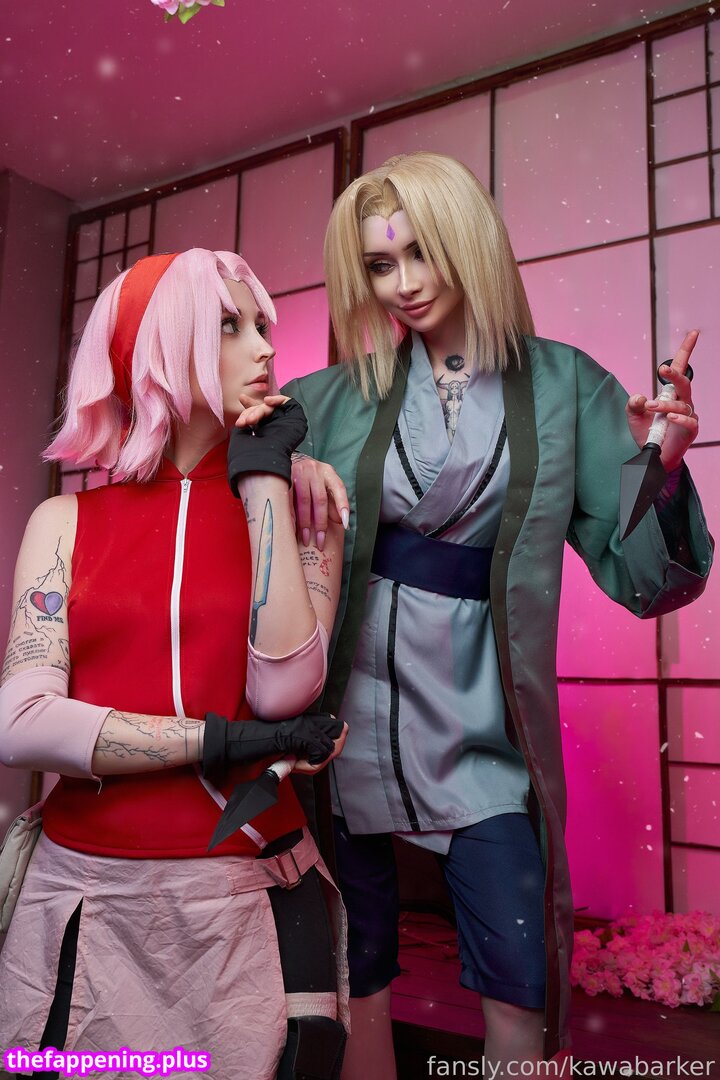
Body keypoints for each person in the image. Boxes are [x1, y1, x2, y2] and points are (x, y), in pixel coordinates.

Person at [282, 152, 713, 1074]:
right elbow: (233, 522)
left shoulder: (565, 387)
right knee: (358, 980)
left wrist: (664, 469)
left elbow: (647, 582)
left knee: (520, 986)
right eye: (380, 265)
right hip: (348, 734)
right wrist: (269, 457)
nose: (403, 284)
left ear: (470, 244)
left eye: (421, 253)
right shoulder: (325, 400)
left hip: (481, 732)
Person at [0, 249, 350, 1080]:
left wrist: (263, 484)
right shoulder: (63, 522)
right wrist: (216, 743)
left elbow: (285, 690)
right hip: (86, 896)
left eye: (262, 324)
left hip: (249, 897)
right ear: (156, 346)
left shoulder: (306, 507)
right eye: (230, 326)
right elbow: (21, 723)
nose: (265, 347)